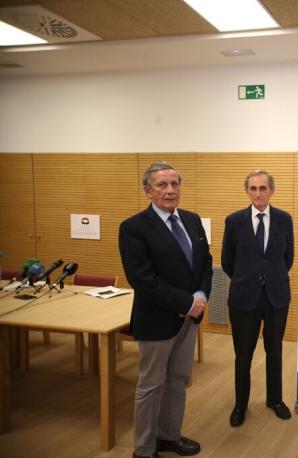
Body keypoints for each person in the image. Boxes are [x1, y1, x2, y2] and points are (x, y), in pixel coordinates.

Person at [119, 161, 212, 458]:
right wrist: (187, 303)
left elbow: (206, 263)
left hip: (189, 321)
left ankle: (169, 437)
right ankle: (144, 450)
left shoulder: (192, 219)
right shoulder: (134, 228)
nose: (170, 190)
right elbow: (143, 280)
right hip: (157, 321)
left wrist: (200, 294)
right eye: (161, 185)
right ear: (148, 191)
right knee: (150, 387)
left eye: (174, 184)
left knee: (177, 381)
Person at [221, 170, 294, 427]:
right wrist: (248, 278)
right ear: (247, 191)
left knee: (274, 350)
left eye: (263, 188)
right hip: (244, 298)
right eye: (253, 188)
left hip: (276, 296)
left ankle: (275, 400)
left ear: (272, 190)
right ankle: (240, 405)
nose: (258, 193)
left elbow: (288, 258)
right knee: (243, 354)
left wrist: (269, 276)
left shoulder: (285, 220)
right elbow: (227, 261)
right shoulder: (234, 221)